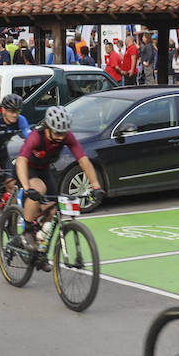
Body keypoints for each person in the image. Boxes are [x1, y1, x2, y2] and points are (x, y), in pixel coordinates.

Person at [13, 106, 105, 270]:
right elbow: (21, 161)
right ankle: (27, 228)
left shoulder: (65, 136)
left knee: (54, 209)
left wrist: (96, 186)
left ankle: (40, 253)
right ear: (48, 127)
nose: (60, 137)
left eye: (63, 133)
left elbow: (83, 160)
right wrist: (27, 187)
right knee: (38, 189)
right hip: (28, 169)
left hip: (45, 169)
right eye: (57, 133)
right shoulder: (36, 137)